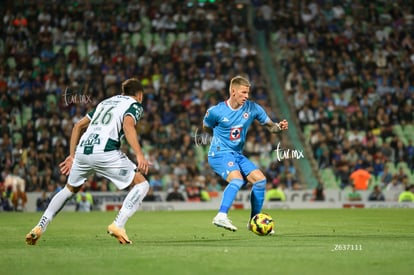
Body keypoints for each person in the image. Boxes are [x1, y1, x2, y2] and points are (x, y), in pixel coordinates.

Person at [25, 78, 151, 245]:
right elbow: (128, 126)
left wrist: (72, 156)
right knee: (142, 184)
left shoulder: (105, 102)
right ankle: (118, 225)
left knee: (69, 189)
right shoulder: (135, 105)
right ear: (140, 95)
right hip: (105, 151)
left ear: (122, 92)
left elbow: (78, 126)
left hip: (83, 150)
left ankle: (39, 226)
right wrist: (140, 154)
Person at [202, 75, 288, 232]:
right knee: (237, 180)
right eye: (243, 93)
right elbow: (206, 127)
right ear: (233, 92)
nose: (246, 96)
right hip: (219, 153)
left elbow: (271, 127)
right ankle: (221, 216)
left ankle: (254, 222)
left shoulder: (253, 108)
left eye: (248, 93)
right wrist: (218, 138)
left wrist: (279, 127)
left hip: (237, 154)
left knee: (260, 180)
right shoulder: (216, 111)